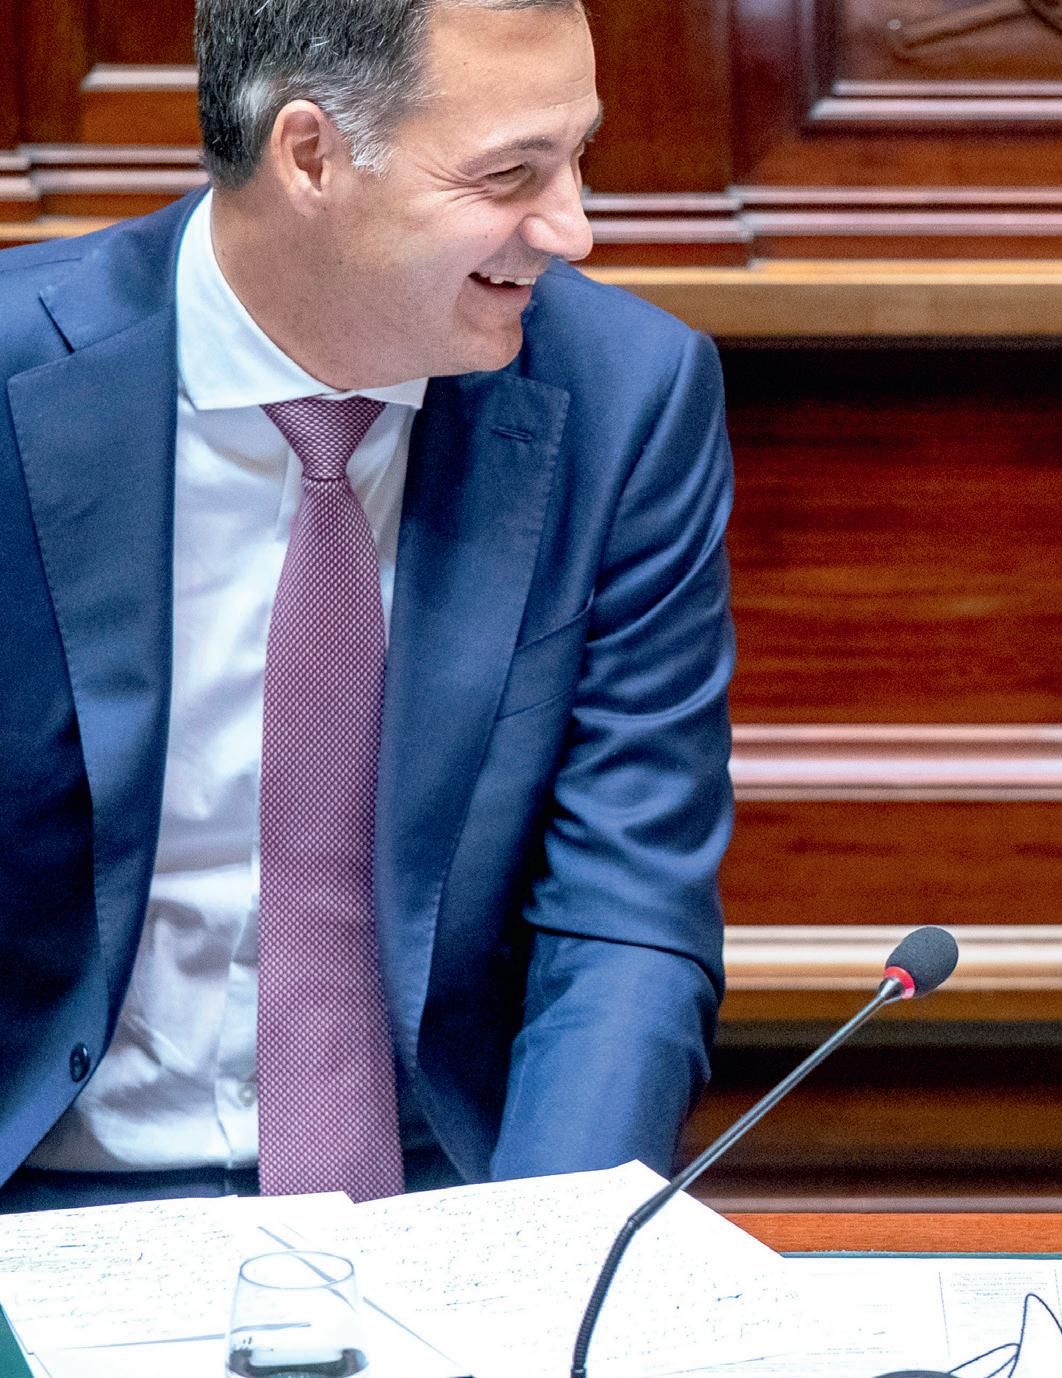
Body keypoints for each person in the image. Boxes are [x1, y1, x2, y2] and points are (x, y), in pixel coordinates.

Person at [0, 0, 733, 1211]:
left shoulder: (626, 400)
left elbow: (625, 907)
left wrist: (541, 1257)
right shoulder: (20, 376)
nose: (574, 229)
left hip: (443, 1198)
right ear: (310, 156)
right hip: (41, 1197)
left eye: (579, 156)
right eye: (510, 174)